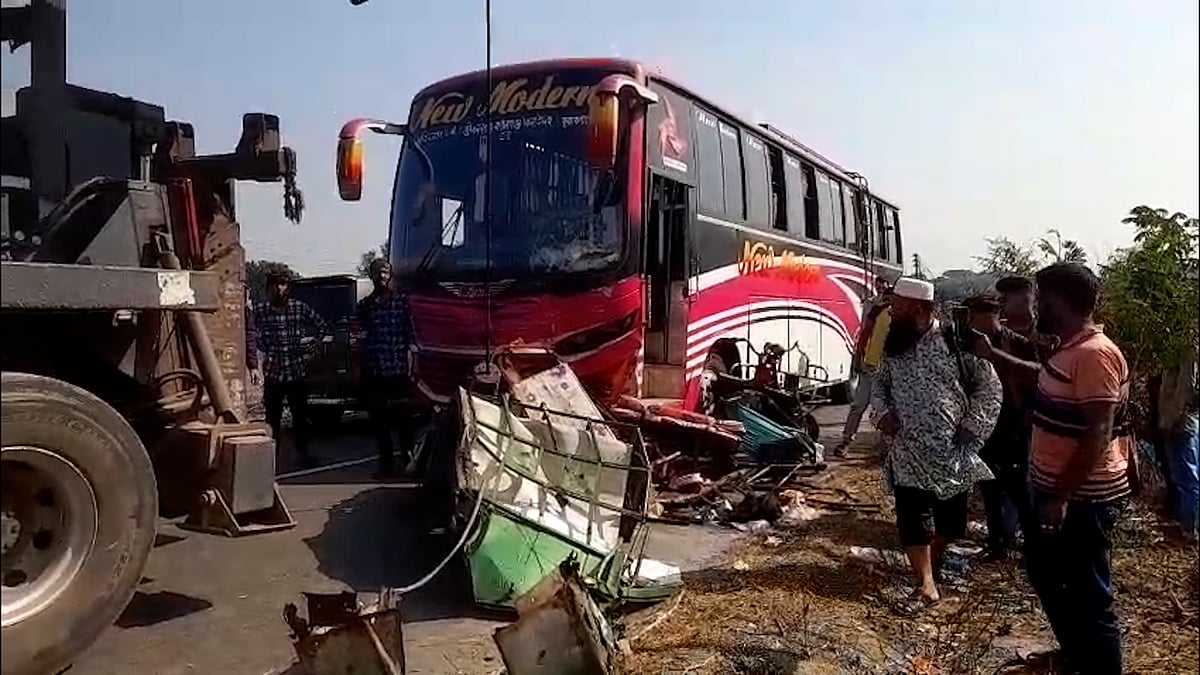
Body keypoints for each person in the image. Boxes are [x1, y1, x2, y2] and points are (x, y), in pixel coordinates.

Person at [983, 262, 1129, 675]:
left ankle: (1097, 667)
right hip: (1053, 493)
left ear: (1060, 301)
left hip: (1080, 498)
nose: (1037, 306)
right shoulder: (1068, 349)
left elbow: (1099, 431)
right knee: (1049, 577)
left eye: (1042, 298)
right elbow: (1047, 378)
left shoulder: (1094, 354)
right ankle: (1077, 658)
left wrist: (1061, 496)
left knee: (1088, 594)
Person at [869, 277, 1002, 602]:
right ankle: (926, 583)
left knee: (952, 524)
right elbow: (879, 385)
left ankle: (934, 556)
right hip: (907, 449)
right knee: (911, 518)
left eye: (897, 305)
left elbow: (990, 388)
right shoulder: (895, 342)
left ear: (917, 307)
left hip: (950, 453)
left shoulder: (956, 341)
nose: (891, 310)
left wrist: (974, 425)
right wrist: (881, 413)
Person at [966, 282, 1040, 560]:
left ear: (996, 316)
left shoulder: (1018, 344)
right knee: (990, 488)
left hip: (1013, 426)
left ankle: (1033, 544)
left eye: (981, 318)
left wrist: (1028, 418)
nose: (977, 325)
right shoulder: (967, 345)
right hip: (983, 427)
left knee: (1021, 490)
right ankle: (998, 543)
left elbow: (1036, 379)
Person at [254, 270, 329, 468]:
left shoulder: (298, 308)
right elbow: (251, 334)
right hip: (273, 373)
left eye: (283, 284)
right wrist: (261, 351)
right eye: (275, 284)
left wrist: (310, 350)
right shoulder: (261, 311)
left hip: (296, 371)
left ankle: (304, 455)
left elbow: (322, 326)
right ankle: (271, 459)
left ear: (288, 287)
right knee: (272, 420)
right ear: (268, 288)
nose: (279, 289)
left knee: (300, 418)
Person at [357, 259, 416, 477]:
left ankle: (409, 461)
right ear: (371, 275)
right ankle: (386, 463)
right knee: (379, 422)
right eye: (377, 273)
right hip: (376, 371)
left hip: (398, 370)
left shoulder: (402, 302)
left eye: (385, 272)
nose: (381, 276)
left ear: (390, 275)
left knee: (403, 420)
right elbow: (361, 337)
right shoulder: (365, 306)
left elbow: (412, 334)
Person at [833, 275, 893, 457]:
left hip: (889, 371)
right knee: (859, 404)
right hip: (870, 366)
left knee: (886, 409)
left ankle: (889, 446)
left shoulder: (901, 318)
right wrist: (858, 358)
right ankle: (846, 441)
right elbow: (864, 335)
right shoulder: (874, 311)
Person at [1159, 343, 1198, 541]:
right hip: (1171, 420)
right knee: (1180, 475)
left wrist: (1173, 419)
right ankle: (1184, 522)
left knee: (1188, 478)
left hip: (1180, 423)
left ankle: (1190, 529)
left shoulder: (1186, 348)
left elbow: (1187, 387)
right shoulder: (1174, 346)